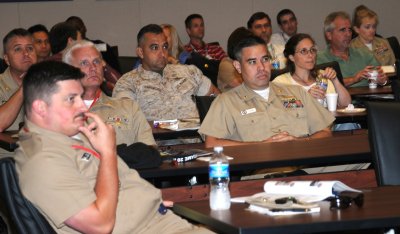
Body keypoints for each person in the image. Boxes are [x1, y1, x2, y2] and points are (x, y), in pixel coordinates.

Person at [14, 60, 213, 233]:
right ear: (40, 107)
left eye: (80, 97)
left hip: (158, 220)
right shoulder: (42, 162)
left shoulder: (70, 134)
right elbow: (100, 226)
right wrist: (108, 151)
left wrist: (146, 200)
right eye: (71, 99)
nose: (82, 106)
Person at [199, 35, 334, 148]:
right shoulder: (226, 102)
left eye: (265, 59)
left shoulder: (297, 92)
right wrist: (261, 146)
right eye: (252, 62)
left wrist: (300, 142)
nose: (261, 67)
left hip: (307, 166)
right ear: (238, 66)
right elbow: (212, 143)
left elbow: (325, 132)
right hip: (261, 172)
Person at [113, 24, 219, 121]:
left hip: (197, 138)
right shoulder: (128, 82)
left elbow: (218, 99)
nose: (162, 53)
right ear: (140, 52)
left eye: (165, 47)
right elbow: (124, 120)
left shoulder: (189, 72)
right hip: (157, 139)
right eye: (154, 48)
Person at [62, 40, 156, 147]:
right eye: (84, 63)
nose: (93, 68)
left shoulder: (128, 108)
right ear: (68, 70)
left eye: (96, 61)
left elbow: (150, 151)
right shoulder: (58, 113)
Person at [273, 33, 351, 108]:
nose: (310, 55)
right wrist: (306, 98)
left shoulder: (323, 76)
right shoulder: (280, 82)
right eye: (303, 51)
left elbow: (346, 104)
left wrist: (335, 80)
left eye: (312, 50)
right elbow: (279, 107)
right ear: (291, 57)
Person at [317, 11, 388, 87]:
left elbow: (382, 77)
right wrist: (354, 79)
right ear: (329, 35)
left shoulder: (364, 54)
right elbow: (324, 85)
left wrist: (382, 80)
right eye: (343, 30)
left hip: (370, 97)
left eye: (350, 30)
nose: (348, 34)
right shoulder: (320, 59)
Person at [49, 21, 120, 95]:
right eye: (81, 39)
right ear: (71, 42)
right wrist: (103, 64)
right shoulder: (67, 66)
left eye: (96, 61)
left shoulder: (43, 66)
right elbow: (121, 87)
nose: (93, 68)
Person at [0, 28, 37, 133]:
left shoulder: (48, 83)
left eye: (30, 48)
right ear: (7, 59)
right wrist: (24, 87)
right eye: (18, 49)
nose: (26, 53)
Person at [217, 27, 252, 92]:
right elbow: (246, 89)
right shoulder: (226, 64)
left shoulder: (249, 61)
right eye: (249, 45)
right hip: (232, 101)